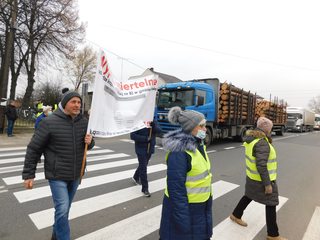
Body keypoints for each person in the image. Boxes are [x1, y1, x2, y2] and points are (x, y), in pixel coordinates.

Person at [22, 91, 95, 240]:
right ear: (64, 103)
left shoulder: (83, 122)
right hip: (57, 174)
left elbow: (88, 145)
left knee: (65, 209)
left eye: (79, 102)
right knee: (62, 209)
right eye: (73, 102)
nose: (77, 105)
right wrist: (29, 174)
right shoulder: (49, 122)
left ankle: (56, 236)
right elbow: (34, 149)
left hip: (76, 173)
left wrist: (90, 141)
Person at [159, 106, 213, 240]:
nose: (205, 129)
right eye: (201, 126)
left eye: (205, 125)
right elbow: (176, 190)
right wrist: (183, 220)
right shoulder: (179, 152)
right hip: (186, 209)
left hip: (198, 207)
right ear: (190, 128)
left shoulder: (198, 145)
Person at [229, 117, 287, 240]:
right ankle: (273, 234)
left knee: (249, 195)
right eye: (270, 129)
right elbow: (261, 165)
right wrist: (267, 184)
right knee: (271, 203)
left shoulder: (252, 139)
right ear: (267, 130)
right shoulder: (262, 142)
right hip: (263, 180)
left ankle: (235, 214)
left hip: (252, 177)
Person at [130, 119, 161, 197]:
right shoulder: (137, 121)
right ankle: (145, 188)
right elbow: (132, 135)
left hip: (150, 148)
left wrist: (153, 125)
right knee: (143, 167)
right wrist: (145, 139)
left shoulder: (152, 120)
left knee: (143, 165)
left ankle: (135, 177)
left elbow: (159, 130)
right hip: (140, 149)